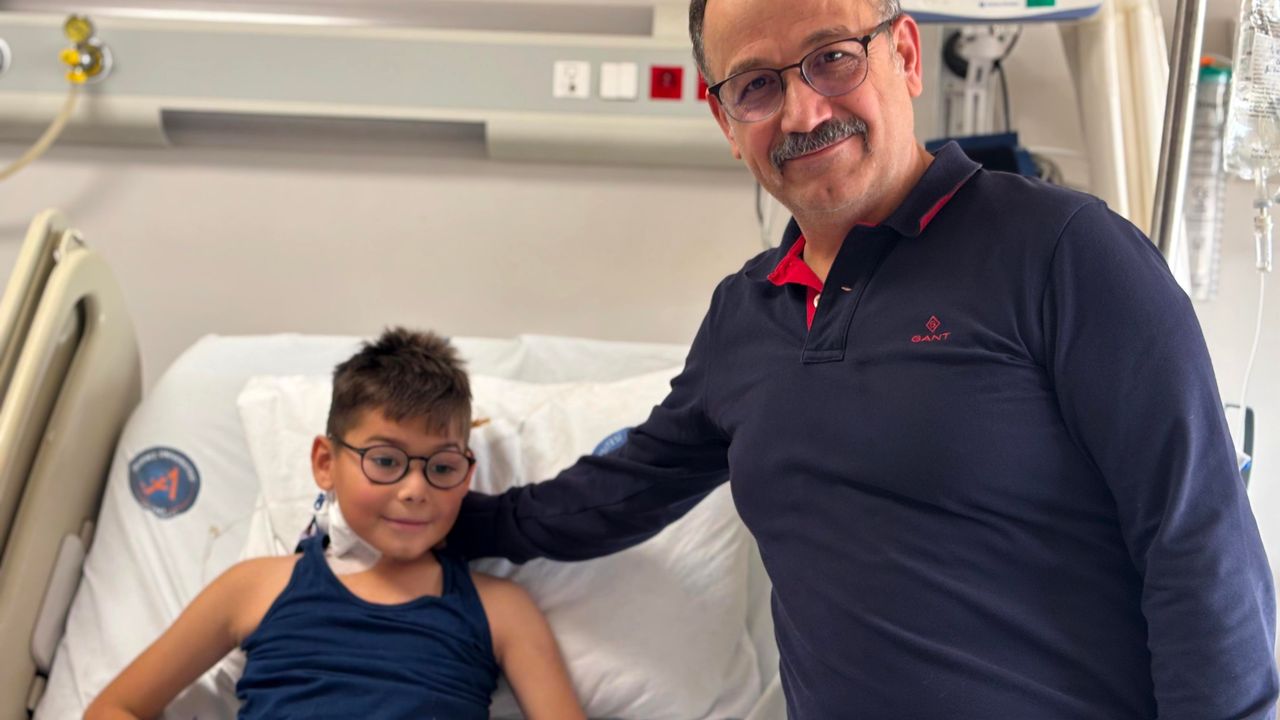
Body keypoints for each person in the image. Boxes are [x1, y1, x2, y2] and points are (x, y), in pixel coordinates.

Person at [450, 0, 1280, 717]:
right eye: (757, 85)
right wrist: (441, 519)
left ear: (906, 54)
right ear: (726, 122)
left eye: (833, 58)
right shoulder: (747, 317)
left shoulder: (1065, 252)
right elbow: (624, 488)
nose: (803, 111)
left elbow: (1199, 549)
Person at [87, 328, 584, 720]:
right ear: (325, 463)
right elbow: (113, 708)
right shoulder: (254, 589)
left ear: (466, 476)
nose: (415, 489)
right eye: (385, 461)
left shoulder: (501, 611)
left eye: (442, 467)